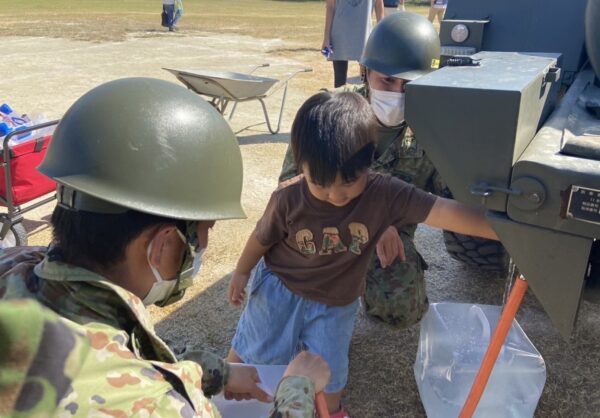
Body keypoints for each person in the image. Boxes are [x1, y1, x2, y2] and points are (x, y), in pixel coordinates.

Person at [0, 77, 330, 418]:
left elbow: (118, 349)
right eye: (205, 230)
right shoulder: (160, 408)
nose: (204, 245)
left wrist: (217, 373)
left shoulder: (14, 263)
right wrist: (297, 389)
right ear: (163, 246)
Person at [227, 91, 498, 417]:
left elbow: (445, 212)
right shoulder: (288, 197)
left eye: (348, 183)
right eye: (320, 183)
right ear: (302, 164)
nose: (334, 195)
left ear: (369, 160)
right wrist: (242, 272)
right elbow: (261, 238)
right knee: (256, 357)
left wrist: (511, 232)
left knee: (330, 377)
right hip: (280, 288)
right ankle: (227, 401)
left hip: (335, 302)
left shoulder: (385, 194)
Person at [280, 12, 443, 330]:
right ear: (365, 71)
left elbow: (451, 196)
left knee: (400, 310)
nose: (398, 93)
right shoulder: (330, 113)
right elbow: (290, 185)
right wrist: (370, 218)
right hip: (324, 225)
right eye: (387, 81)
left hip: (393, 235)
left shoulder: (433, 128)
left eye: (411, 85)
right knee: (295, 307)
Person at [323, 0, 384, 88]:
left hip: (364, 34)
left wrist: (381, 32)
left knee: (368, 80)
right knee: (340, 81)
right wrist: (326, 37)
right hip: (339, 34)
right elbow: (330, 6)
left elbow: (378, 4)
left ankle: (366, 100)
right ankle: (341, 102)